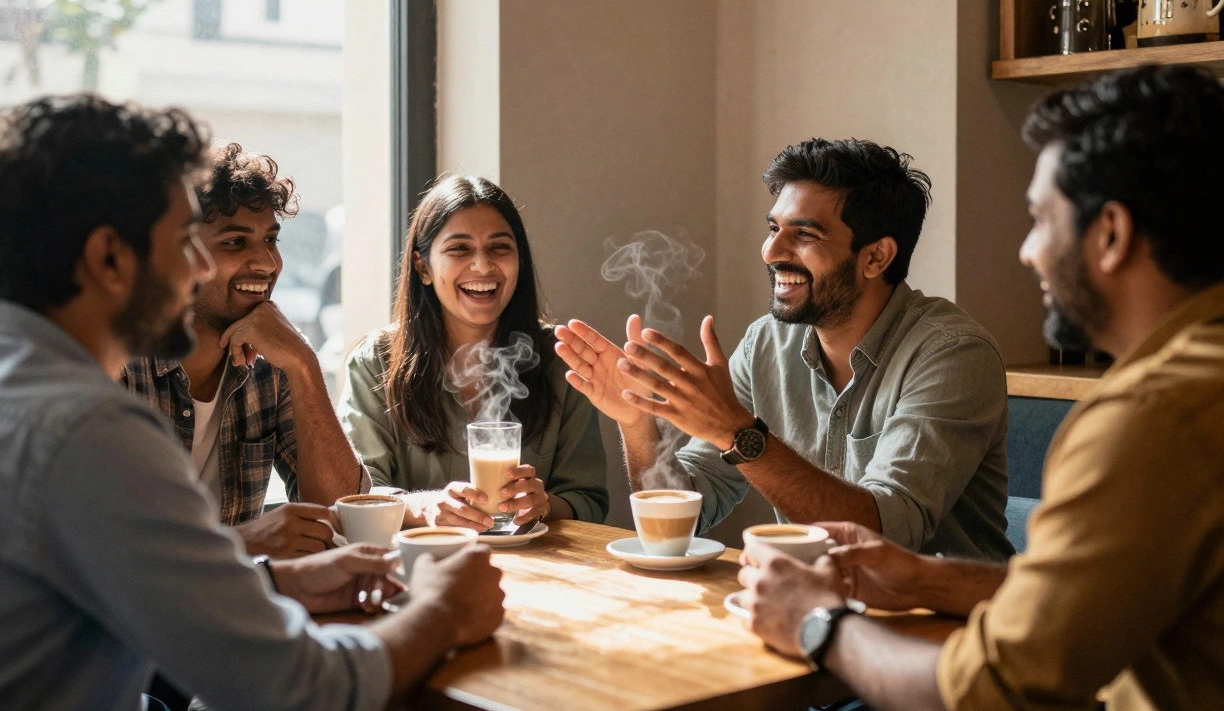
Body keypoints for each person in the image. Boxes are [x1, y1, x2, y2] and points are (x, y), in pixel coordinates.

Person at [0, 94, 504, 710]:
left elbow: (99, 587)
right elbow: (298, 688)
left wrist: (273, 581)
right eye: (185, 239)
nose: (193, 269)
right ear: (109, 258)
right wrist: (443, 611)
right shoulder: (87, 431)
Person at [738, 64, 1224, 711]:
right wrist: (931, 577)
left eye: (1041, 219)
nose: (1027, 252)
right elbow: (1085, 604)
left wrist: (816, 624)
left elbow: (997, 689)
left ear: (1109, 234)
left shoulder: (1151, 418)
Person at [556, 140, 1012, 560]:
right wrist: (637, 423)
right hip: (813, 606)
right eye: (773, 228)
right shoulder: (766, 343)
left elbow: (884, 537)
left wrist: (738, 433)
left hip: (945, 628)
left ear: (876, 257)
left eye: (805, 234)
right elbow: (689, 509)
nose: (772, 251)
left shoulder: (953, 355)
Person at [123, 142, 366, 559]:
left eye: (271, 239)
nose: (268, 263)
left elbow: (345, 510)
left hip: (239, 606)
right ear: (180, 255)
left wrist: (304, 364)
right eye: (235, 242)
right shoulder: (120, 365)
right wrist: (243, 543)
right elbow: (96, 546)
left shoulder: (274, 363)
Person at [339, 175, 609, 531]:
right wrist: (424, 507)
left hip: (536, 572)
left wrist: (544, 505)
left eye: (499, 248)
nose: (483, 267)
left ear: (520, 262)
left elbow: (588, 500)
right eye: (459, 249)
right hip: (421, 570)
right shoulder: (376, 363)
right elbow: (355, 498)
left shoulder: (562, 361)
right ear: (423, 267)